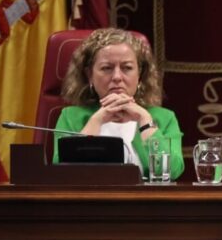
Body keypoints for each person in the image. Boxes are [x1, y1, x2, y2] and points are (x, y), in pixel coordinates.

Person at [53, 28, 185, 180]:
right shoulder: (70, 117)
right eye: (107, 68)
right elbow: (63, 172)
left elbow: (173, 171)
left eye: (127, 68)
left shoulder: (164, 118)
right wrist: (97, 120)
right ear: (90, 75)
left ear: (140, 75)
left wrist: (145, 122)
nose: (117, 77)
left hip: (145, 203)